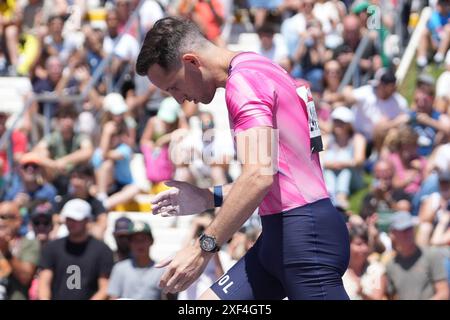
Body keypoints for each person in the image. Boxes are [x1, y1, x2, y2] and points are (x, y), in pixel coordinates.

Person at [135, 17, 350, 300]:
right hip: (282, 236)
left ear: (191, 62)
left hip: (304, 240)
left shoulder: (244, 83)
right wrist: (207, 197)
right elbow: (279, 174)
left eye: (174, 86)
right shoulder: (259, 67)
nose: (178, 99)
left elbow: (259, 176)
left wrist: (202, 249)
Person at [37, 199, 114, 300]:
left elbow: (105, 287)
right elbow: (44, 284)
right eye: (68, 219)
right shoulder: (52, 248)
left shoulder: (102, 250)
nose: (71, 223)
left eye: (76, 220)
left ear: (87, 220)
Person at [383, 211, 449, 300]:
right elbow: (391, 296)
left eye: (409, 229)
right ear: (393, 234)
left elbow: (444, 293)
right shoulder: (391, 265)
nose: (407, 234)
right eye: (402, 230)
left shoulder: (431, 255)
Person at [107, 220, 166, 300]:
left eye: (143, 239)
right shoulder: (119, 268)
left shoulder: (161, 270)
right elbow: (113, 297)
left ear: (151, 241)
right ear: (129, 243)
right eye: (135, 240)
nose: (140, 244)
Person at [0, 201, 40, 300]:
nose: (1, 221)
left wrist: (6, 250)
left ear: (18, 221)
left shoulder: (29, 243)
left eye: (5, 217)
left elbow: (25, 277)